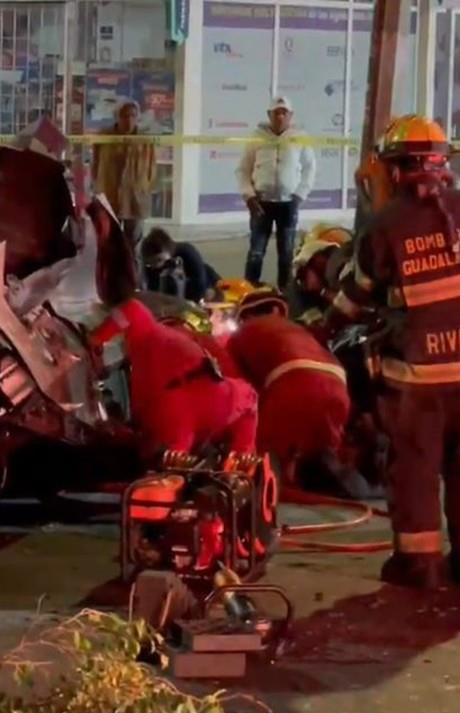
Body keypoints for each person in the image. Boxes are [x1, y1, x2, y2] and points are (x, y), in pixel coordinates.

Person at [322, 115, 460, 590]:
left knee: (416, 472)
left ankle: (421, 567)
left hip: (421, 380)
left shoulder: (387, 227)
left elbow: (354, 298)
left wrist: (322, 327)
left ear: (396, 169)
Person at [222, 289, 379, 499]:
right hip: (337, 384)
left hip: (292, 384)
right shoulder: (297, 329)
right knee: (323, 449)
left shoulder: (243, 333)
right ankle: (349, 485)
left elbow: (240, 392)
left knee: (266, 466)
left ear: (246, 315)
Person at [89, 297, 259, 458]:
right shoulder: (186, 341)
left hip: (175, 420)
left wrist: (95, 339)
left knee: (162, 466)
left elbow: (132, 309)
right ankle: (238, 465)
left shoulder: (149, 336)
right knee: (248, 400)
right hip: (213, 399)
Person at [236, 96, 317, 289]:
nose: (280, 117)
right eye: (276, 113)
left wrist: (299, 197)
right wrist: (249, 197)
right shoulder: (256, 138)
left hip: (288, 204)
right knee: (256, 252)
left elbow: (310, 168)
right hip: (260, 204)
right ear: (269, 115)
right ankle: (249, 290)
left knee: (286, 253)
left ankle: (285, 292)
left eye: (284, 113)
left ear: (291, 115)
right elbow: (243, 169)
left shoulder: (300, 137)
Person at [91, 100, 156, 249]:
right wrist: (98, 188)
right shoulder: (104, 137)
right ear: (117, 117)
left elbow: (151, 167)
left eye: (133, 116)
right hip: (109, 196)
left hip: (135, 198)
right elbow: (95, 163)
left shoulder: (144, 140)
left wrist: (144, 188)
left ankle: (132, 271)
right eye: (125, 116)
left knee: (133, 244)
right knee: (108, 243)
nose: (129, 120)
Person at [140, 228, 221, 303]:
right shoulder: (150, 266)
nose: (156, 266)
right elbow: (153, 290)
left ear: (168, 249)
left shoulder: (186, 251)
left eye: (159, 260)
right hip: (178, 291)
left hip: (207, 284)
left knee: (208, 294)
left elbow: (200, 283)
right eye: (151, 263)